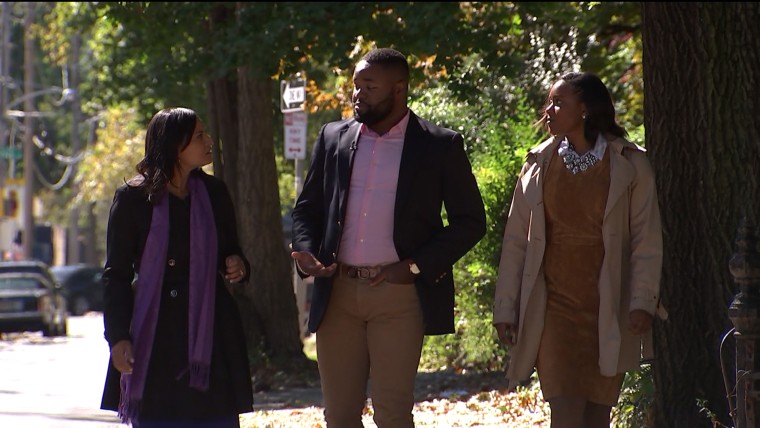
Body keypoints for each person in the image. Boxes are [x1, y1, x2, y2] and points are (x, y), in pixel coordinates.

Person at [290, 47, 486, 428]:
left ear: (399, 89)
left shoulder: (438, 145)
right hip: (338, 294)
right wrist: (307, 250)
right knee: (340, 415)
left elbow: (470, 221)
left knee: (393, 413)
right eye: (355, 85)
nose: (357, 94)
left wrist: (414, 265)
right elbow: (306, 208)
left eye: (369, 86)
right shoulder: (333, 137)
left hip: (398, 296)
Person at [492, 71, 667, 428]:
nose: (549, 111)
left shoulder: (630, 165)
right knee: (566, 410)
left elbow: (645, 240)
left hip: (608, 304)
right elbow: (516, 243)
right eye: (549, 103)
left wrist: (642, 302)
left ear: (585, 109)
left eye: (559, 103)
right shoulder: (538, 164)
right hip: (553, 306)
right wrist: (506, 308)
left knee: (597, 414)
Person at [99, 107, 254, 427]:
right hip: (155, 337)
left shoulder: (214, 193)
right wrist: (117, 338)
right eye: (199, 136)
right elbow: (116, 274)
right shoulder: (132, 198)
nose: (209, 140)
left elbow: (232, 250)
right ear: (174, 145)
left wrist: (237, 264)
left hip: (211, 333)